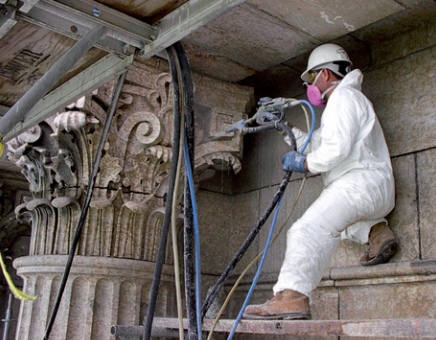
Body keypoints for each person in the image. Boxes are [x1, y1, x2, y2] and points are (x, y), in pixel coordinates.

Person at [243, 43, 398, 320]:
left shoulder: (343, 98)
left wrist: (304, 163)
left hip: (359, 185)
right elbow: (319, 143)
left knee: (307, 230)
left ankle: (291, 297)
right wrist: (285, 129)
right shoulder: (348, 101)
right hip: (373, 191)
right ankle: (376, 231)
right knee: (340, 224)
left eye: (311, 78)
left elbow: (334, 150)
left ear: (325, 74)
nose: (310, 86)